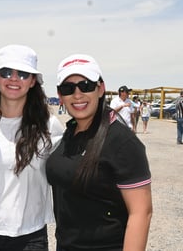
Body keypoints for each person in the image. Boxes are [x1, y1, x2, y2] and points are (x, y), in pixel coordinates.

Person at [46, 54, 152, 251]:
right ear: (60, 96)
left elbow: (141, 213)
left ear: (100, 88)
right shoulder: (71, 132)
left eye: (86, 85)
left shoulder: (122, 141)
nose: (77, 95)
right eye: (68, 89)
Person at [0, 44, 64, 251]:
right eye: (6, 72)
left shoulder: (49, 126)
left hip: (31, 236)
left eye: (22, 74)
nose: (13, 79)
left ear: (32, 82)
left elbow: (67, 172)